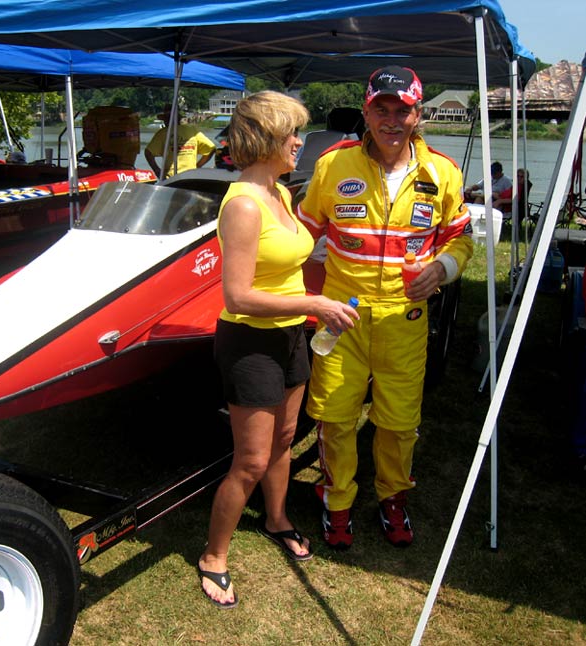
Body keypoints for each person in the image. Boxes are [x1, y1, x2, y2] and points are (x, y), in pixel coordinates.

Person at [296, 66, 474, 549]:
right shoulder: (333, 165)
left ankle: (393, 498)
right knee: (334, 415)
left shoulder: (442, 171)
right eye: (382, 109)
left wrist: (445, 269)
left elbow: (461, 239)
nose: (392, 120)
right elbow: (302, 233)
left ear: (418, 115)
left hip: (405, 318)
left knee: (398, 421)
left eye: (403, 111)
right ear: (366, 111)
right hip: (341, 316)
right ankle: (337, 501)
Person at [198, 91, 359, 608]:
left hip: (291, 334)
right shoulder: (244, 204)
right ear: (266, 138)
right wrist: (316, 302)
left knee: (286, 440)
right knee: (249, 460)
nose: (299, 142)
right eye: (292, 133)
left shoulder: (282, 193)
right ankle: (214, 557)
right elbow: (237, 295)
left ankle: (276, 518)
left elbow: (290, 263)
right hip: (251, 340)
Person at [144, 104, 216, 178]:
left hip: (171, 177)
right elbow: (211, 148)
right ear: (178, 119)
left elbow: (148, 153)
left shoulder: (164, 133)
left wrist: (157, 171)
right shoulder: (192, 130)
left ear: (166, 120)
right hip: (190, 176)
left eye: (165, 119)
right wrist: (197, 166)